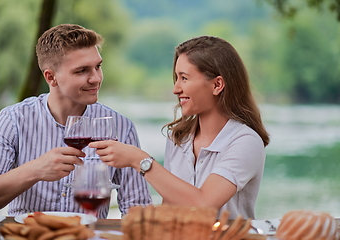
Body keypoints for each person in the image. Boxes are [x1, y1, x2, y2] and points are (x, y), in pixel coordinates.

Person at [0, 24, 152, 217]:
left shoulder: (120, 127)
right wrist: (36, 169)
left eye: (98, 67)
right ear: (51, 77)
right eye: (82, 71)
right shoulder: (12, 120)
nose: (96, 78)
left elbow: (138, 211)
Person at [89, 36, 270, 219]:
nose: (176, 89)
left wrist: (139, 160)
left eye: (184, 78)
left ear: (217, 85)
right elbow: (169, 210)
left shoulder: (246, 142)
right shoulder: (178, 138)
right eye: (176, 78)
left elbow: (204, 204)